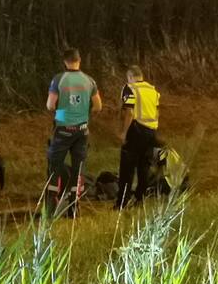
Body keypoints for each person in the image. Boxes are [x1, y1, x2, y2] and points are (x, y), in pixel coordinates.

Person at [45, 48, 102, 217]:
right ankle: (74, 208)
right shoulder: (89, 81)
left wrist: (63, 113)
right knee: (78, 169)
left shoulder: (58, 80)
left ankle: (51, 208)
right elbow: (98, 106)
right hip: (82, 130)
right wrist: (82, 114)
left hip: (63, 129)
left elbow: (50, 105)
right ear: (79, 60)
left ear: (65, 61)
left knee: (54, 166)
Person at [115, 65, 161, 209]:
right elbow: (157, 111)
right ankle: (139, 199)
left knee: (127, 168)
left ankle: (122, 202)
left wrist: (123, 132)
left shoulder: (130, 88)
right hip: (152, 131)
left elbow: (129, 112)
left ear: (130, 77)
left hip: (136, 130)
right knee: (144, 167)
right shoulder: (152, 90)